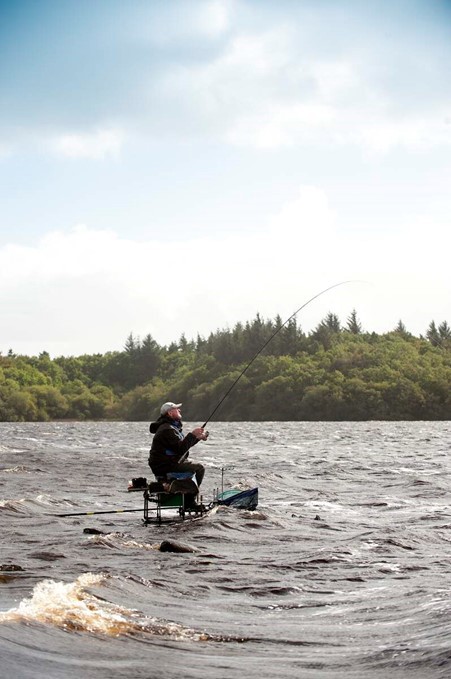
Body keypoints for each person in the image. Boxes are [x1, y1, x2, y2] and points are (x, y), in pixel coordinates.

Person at [148, 401, 208, 490]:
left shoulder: (171, 427)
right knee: (199, 469)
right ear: (170, 413)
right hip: (165, 466)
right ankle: (187, 497)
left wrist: (198, 437)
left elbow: (182, 445)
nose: (179, 410)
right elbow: (180, 449)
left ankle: (183, 491)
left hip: (169, 463)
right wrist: (192, 434)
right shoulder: (167, 429)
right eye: (176, 409)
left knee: (193, 466)